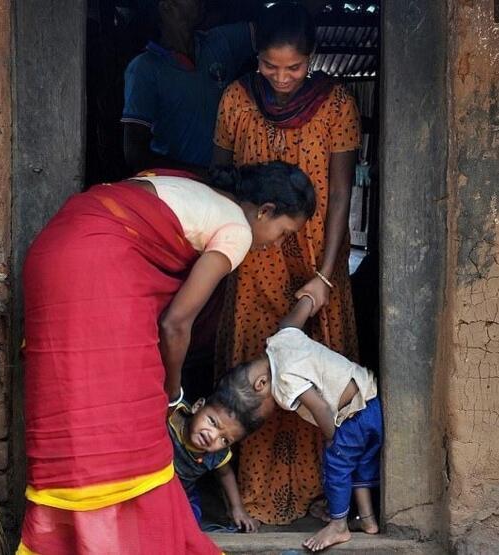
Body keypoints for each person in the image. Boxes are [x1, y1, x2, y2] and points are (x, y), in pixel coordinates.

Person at [16, 161, 315, 555]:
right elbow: (175, 324)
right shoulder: (238, 229)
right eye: (282, 233)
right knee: (134, 431)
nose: (273, 244)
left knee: (74, 416)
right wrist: (171, 393)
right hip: (99, 268)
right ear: (265, 211)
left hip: (51, 252)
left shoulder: (183, 184)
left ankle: (66, 541)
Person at [212, 1, 361, 524]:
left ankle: (328, 494)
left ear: (311, 59)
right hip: (255, 259)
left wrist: (325, 273)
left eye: (293, 67)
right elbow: (222, 179)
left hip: (320, 259)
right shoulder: (234, 99)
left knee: (317, 371)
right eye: (271, 66)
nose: (281, 78)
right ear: (256, 57)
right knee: (258, 368)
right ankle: (255, 496)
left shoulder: (338, 103)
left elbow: (341, 194)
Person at [226, 294, 382, 551]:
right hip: (371, 399)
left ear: (261, 384)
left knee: (337, 466)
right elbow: (293, 319)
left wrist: (333, 439)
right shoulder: (279, 340)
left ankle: (338, 525)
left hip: (352, 417)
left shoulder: (284, 381)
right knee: (361, 464)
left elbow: (319, 405)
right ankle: (368, 520)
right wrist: (310, 295)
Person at [122, 0, 255, 175]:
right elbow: (135, 154)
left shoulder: (221, 41)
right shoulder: (144, 68)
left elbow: (277, 28)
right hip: (178, 189)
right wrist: (201, 176)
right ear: (166, 5)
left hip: (226, 186)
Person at [168, 374, 264, 532]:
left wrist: (237, 508)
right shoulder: (172, 415)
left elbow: (225, 474)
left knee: (188, 522)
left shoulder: (217, 455)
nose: (212, 436)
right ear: (198, 406)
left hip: (181, 495)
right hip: (151, 482)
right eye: (212, 422)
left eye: (225, 440)